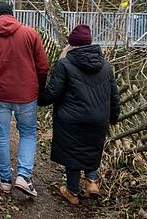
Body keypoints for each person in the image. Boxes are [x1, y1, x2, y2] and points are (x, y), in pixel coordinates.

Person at [38, 24, 121, 205]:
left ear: (71, 44)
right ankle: (92, 182)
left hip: (71, 119)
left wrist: (39, 99)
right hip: (99, 118)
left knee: (73, 154)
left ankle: (72, 192)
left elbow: (53, 92)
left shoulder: (65, 64)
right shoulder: (106, 66)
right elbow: (114, 95)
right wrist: (113, 117)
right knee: (91, 148)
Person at [0, 2, 49, 196]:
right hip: (27, 95)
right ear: (12, 15)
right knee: (28, 133)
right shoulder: (30, 33)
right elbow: (42, 67)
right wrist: (37, 88)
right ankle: (24, 176)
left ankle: (5, 179)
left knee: (1, 135)